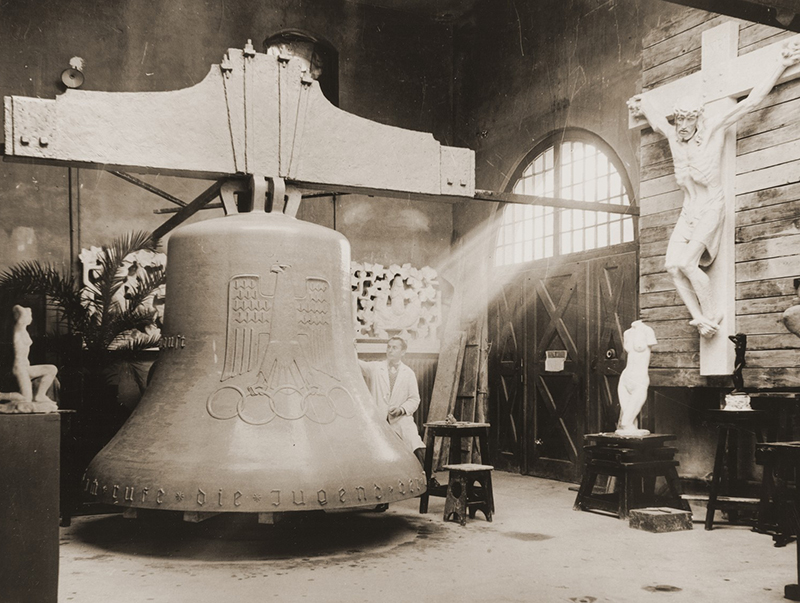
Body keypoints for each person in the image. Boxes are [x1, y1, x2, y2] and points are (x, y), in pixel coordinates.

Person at [627, 41, 800, 338]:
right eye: (678, 118)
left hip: (710, 207)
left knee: (685, 262)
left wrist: (781, 65)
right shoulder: (673, 136)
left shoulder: (714, 132)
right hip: (689, 210)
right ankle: (700, 318)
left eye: (688, 118)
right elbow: (656, 120)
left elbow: (752, 102)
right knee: (671, 266)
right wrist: (642, 103)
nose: (682, 125)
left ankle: (711, 313)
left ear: (698, 118)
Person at [359, 335, 426, 466]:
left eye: (394, 348)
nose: (390, 350)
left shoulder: (408, 373)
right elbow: (358, 364)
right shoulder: (376, 368)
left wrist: (401, 409)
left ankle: (425, 476)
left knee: (414, 442)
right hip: (379, 419)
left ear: (403, 352)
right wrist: (351, 348)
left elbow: (414, 399)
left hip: (400, 419)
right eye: (388, 347)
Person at [0, 305, 58, 413]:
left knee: (51, 369)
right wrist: (21, 310)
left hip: (26, 367)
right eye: (29, 315)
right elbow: (17, 311)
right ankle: (2, 396)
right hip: (19, 368)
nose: (30, 317)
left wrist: (27, 311)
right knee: (25, 399)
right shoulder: (17, 329)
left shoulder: (24, 330)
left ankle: (40, 395)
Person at [616, 320, 657, 437]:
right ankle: (631, 429)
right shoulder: (627, 332)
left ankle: (631, 430)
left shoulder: (647, 330)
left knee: (627, 420)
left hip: (639, 376)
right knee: (628, 420)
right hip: (626, 376)